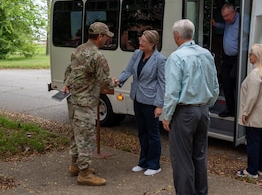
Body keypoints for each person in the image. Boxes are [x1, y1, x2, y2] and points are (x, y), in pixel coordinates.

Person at [162, 19, 219, 195]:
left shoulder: (176, 57)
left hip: (184, 111)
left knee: (182, 159)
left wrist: (167, 115)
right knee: (199, 156)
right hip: (203, 110)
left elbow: (172, 91)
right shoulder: (206, 54)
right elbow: (215, 85)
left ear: (176, 36)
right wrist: (206, 105)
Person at [63, 22, 118, 186]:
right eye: (106, 36)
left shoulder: (79, 49)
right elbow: (104, 80)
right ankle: (84, 173)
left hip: (73, 99)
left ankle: (75, 165)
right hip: (85, 102)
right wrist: (114, 82)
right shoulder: (97, 56)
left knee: (75, 134)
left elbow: (69, 70)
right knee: (86, 137)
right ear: (100, 36)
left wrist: (66, 82)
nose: (107, 39)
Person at [116, 30, 166, 176]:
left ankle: (154, 164)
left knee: (153, 134)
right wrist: (119, 80)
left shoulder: (160, 59)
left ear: (152, 44)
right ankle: (143, 161)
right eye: (140, 39)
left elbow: (163, 83)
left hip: (151, 101)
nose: (140, 42)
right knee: (142, 132)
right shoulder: (137, 54)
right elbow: (128, 70)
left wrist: (159, 105)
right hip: (137, 98)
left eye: (144, 41)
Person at [236, 44, 262, 178]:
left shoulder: (255, 74)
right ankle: (261, 168)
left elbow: (252, 97)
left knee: (252, 142)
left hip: (254, 115)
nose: (249, 56)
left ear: (257, 56)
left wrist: (245, 112)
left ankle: (251, 170)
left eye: (251, 54)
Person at [211, 3, 239, 117]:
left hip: (238, 58)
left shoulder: (243, 20)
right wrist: (216, 24)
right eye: (223, 17)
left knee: (234, 80)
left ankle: (239, 109)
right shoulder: (228, 21)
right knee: (226, 82)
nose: (225, 19)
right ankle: (230, 108)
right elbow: (225, 26)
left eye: (227, 16)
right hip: (227, 58)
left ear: (234, 12)